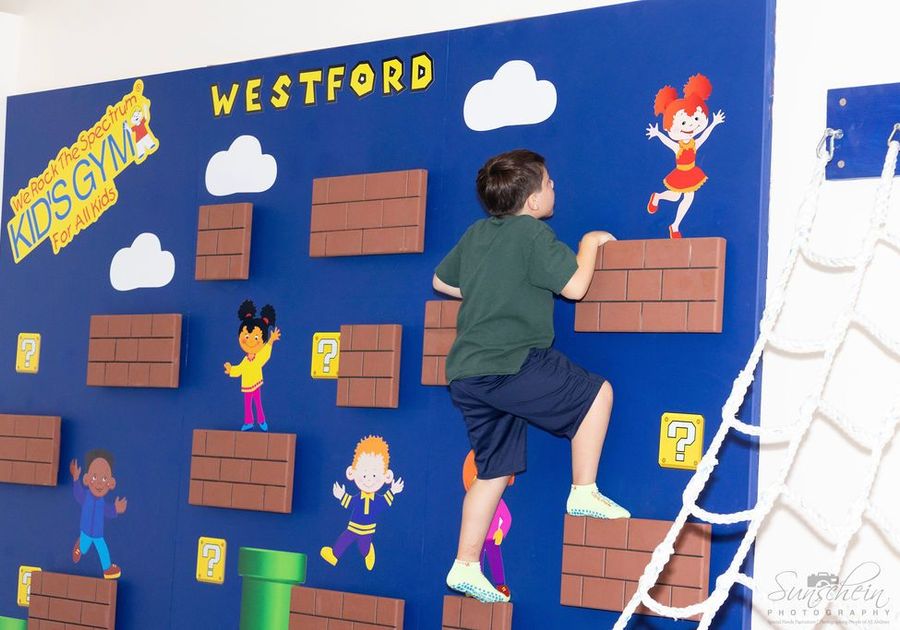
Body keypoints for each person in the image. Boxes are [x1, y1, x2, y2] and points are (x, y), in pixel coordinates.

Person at [434, 149, 630, 603]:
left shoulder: (478, 233)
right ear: (533, 200)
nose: (554, 187)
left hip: (466, 374)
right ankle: (584, 490)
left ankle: (465, 564)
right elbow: (576, 288)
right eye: (550, 182)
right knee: (596, 394)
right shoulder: (533, 234)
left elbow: (442, 282)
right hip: (509, 362)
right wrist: (590, 243)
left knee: (493, 470)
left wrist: (489, 287)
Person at [645, 73, 725, 238]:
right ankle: (658, 197)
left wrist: (714, 123)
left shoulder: (694, 144)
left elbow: (704, 136)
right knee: (675, 197)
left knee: (687, 198)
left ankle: (675, 226)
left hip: (692, 173)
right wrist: (657, 134)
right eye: (683, 122)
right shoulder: (678, 146)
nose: (690, 125)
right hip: (681, 174)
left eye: (695, 119)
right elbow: (668, 142)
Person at [320, 435, 404, 571]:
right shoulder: (358, 498)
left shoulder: (377, 499)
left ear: (386, 476)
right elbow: (350, 502)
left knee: (364, 546)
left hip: (368, 529)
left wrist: (393, 491)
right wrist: (341, 495)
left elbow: (384, 502)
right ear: (352, 473)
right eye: (364, 475)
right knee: (344, 540)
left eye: (375, 475)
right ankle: (334, 556)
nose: (369, 480)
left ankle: (368, 552)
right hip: (353, 527)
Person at [70, 450, 127, 580]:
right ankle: (79, 545)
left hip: (98, 533)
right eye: (95, 477)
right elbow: (77, 494)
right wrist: (75, 479)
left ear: (110, 483)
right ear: (87, 479)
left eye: (104, 478)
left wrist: (116, 509)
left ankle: (107, 569)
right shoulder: (85, 497)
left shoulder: (101, 503)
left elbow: (108, 511)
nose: (99, 483)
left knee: (103, 549)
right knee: (84, 548)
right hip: (85, 530)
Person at [224, 300, 281, 431]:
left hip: (256, 383)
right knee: (247, 404)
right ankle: (249, 421)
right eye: (246, 337)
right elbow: (239, 369)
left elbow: (266, 353)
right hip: (246, 385)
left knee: (258, 403)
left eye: (255, 338)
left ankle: (261, 420)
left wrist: (271, 340)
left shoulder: (258, 358)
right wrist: (231, 369)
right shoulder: (245, 360)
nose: (249, 341)